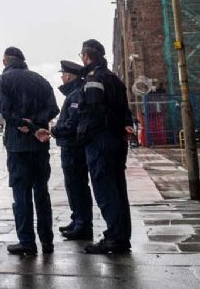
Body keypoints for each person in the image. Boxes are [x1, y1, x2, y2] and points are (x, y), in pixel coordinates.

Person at [0, 46, 59, 255]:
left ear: (6, 61)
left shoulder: (3, 80)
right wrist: (37, 124)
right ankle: (47, 241)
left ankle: (27, 243)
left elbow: (5, 111)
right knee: (42, 192)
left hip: (18, 146)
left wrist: (26, 125)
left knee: (21, 194)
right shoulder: (40, 80)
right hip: (40, 145)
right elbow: (54, 108)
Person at [77, 39, 135, 254]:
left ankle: (114, 238)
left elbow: (93, 110)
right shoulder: (114, 79)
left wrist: (83, 134)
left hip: (101, 141)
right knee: (118, 190)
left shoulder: (94, 79)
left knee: (105, 190)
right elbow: (124, 110)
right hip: (117, 141)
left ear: (85, 56)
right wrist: (125, 126)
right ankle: (121, 236)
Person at [50, 61, 92, 240]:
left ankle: (82, 225)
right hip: (72, 146)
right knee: (73, 186)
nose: (61, 77)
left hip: (73, 147)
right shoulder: (75, 93)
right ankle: (77, 220)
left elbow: (72, 124)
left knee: (77, 186)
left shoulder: (75, 95)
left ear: (68, 76)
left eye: (63, 74)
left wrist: (54, 131)